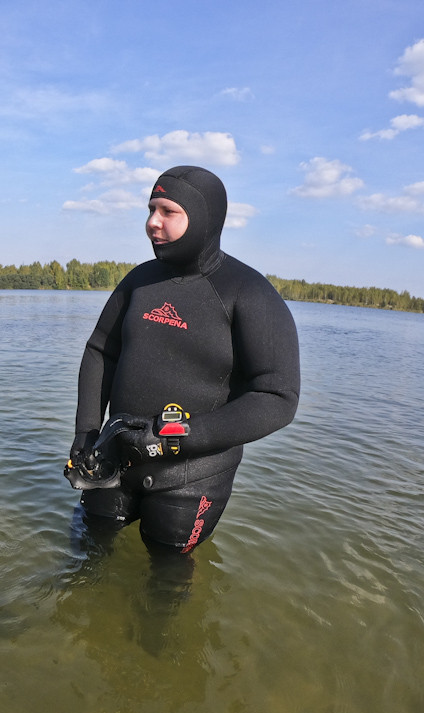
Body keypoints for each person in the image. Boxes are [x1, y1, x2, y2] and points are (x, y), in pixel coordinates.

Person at [66, 165, 300, 554]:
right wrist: (86, 433)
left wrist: (180, 437)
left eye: (167, 212)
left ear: (205, 218)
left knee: (166, 584)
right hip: (116, 458)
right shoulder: (138, 282)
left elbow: (278, 397)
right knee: (87, 552)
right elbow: (100, 351)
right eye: (150, 209)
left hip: (193, 477)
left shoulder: (248, 292)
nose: (152, 223)